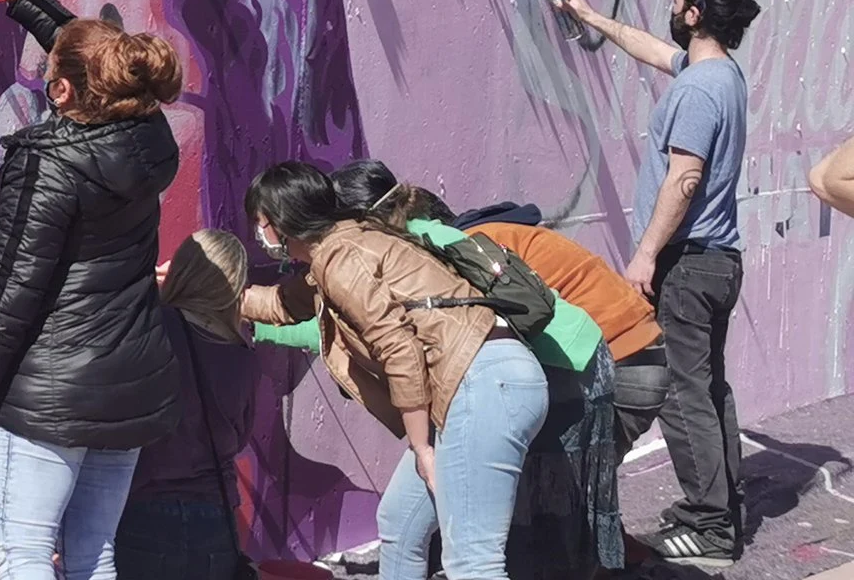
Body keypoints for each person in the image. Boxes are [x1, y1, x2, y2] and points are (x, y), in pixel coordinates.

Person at [0, 0, 185, 580]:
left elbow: (8, 298)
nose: (45, 78)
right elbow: (98, 57)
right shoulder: (146, 133)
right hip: (128, 385)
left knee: (21, 556)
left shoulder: (46, 167)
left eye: (51, 75)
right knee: (93, 553)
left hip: (52, 394)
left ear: (64, 92)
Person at [241, 163, 549, 580]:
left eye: (261, 223)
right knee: (401, 523)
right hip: (477, 382)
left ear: (281, 222)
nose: (260, 235)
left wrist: (423, 449)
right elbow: (282, 304)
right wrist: (207, 287)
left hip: (481, 385)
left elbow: (399, 349)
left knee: (473, 561)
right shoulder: (343, 248)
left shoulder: (342, 259)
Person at [551, 0, 759, 566]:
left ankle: (710, 525)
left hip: (686, 266)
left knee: (680, 393)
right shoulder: (719, 74)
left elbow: (685, 177)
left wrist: (644, 255)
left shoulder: (697, 90)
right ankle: (722, 505)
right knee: (708, 389)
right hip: (718, 263)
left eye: (675, 1)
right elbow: (653, 49)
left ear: (694, 14)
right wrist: (590, 17)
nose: (668, 9)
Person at [337, 162, 626, 580]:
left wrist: (257, 322)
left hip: (549, 369)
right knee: (409, 521)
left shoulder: (405, 253)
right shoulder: (427, 235)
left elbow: (362, 327)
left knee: (493, 549)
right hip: (549, 359)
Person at [332, 162, 666, 451]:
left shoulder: (457, 253)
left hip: (610, 365)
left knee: (546, 500)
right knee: (563, 500)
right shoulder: (482, 236)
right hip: (637, 355)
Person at [117, 230, 258, 580]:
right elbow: (238, 439)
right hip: (215, 523)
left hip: (142, 514)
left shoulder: (153, 328)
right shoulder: (242, 354)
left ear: (182, 271)